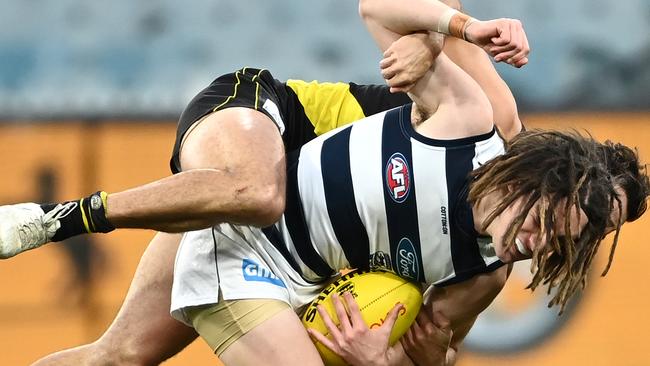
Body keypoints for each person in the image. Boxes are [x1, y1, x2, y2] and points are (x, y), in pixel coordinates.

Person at [4, 3, 643, 366]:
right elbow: (379, 9)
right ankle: (56, 219)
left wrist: (384, 361)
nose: (541, 245)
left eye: (575, 242)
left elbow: (437, 353)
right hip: (261, 122)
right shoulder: (482, 119)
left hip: (282, 252)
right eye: (554, 223)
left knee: (115, 359)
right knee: (257, 190)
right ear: (554, 178)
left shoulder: (482, 273)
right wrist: (455, 31)